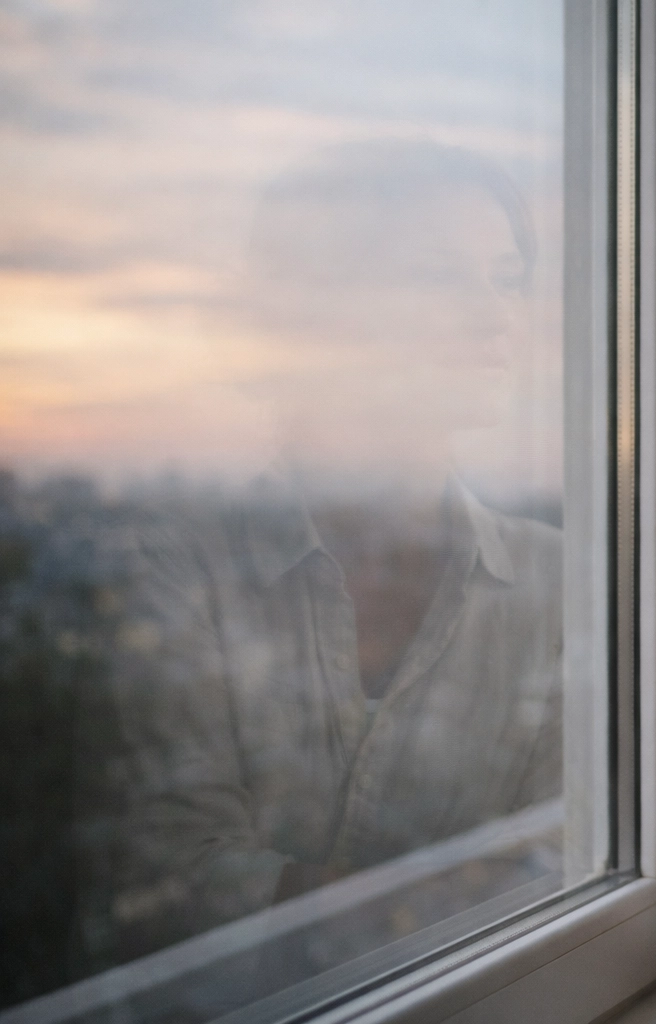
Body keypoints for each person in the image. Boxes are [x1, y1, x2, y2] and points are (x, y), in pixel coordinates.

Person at [82, 141, 563, 964]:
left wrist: (293, 893)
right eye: (433, 275)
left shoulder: (563, 583)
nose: (492, 315)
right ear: (319, 312)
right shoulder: (178, 563)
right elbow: (165, 888)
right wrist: (452, 897)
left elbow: (561, 883)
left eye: (505, 278)